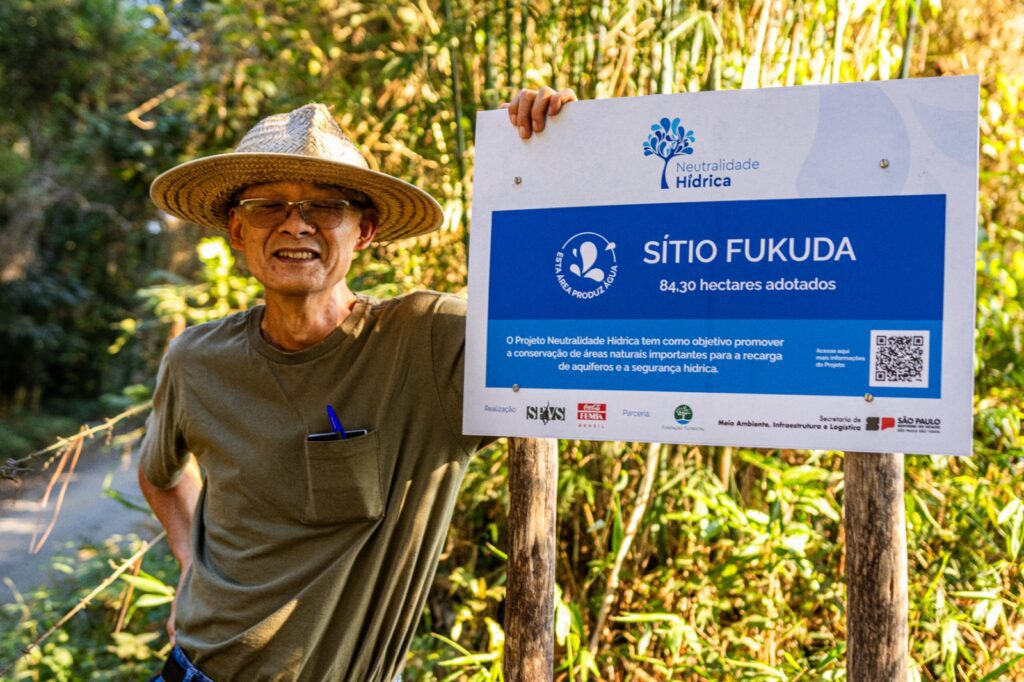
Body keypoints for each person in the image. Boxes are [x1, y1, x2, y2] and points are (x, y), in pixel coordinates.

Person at [139, 86, 576, 682]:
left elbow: (568, 329)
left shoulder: (428, 343)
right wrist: (190, 560)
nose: (295, 224)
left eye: (325, 205)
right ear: (237, 232)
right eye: (268, 205)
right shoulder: (196, 359)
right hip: (195, 669)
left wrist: (552, 157)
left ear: (364, 231)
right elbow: (157, 471)